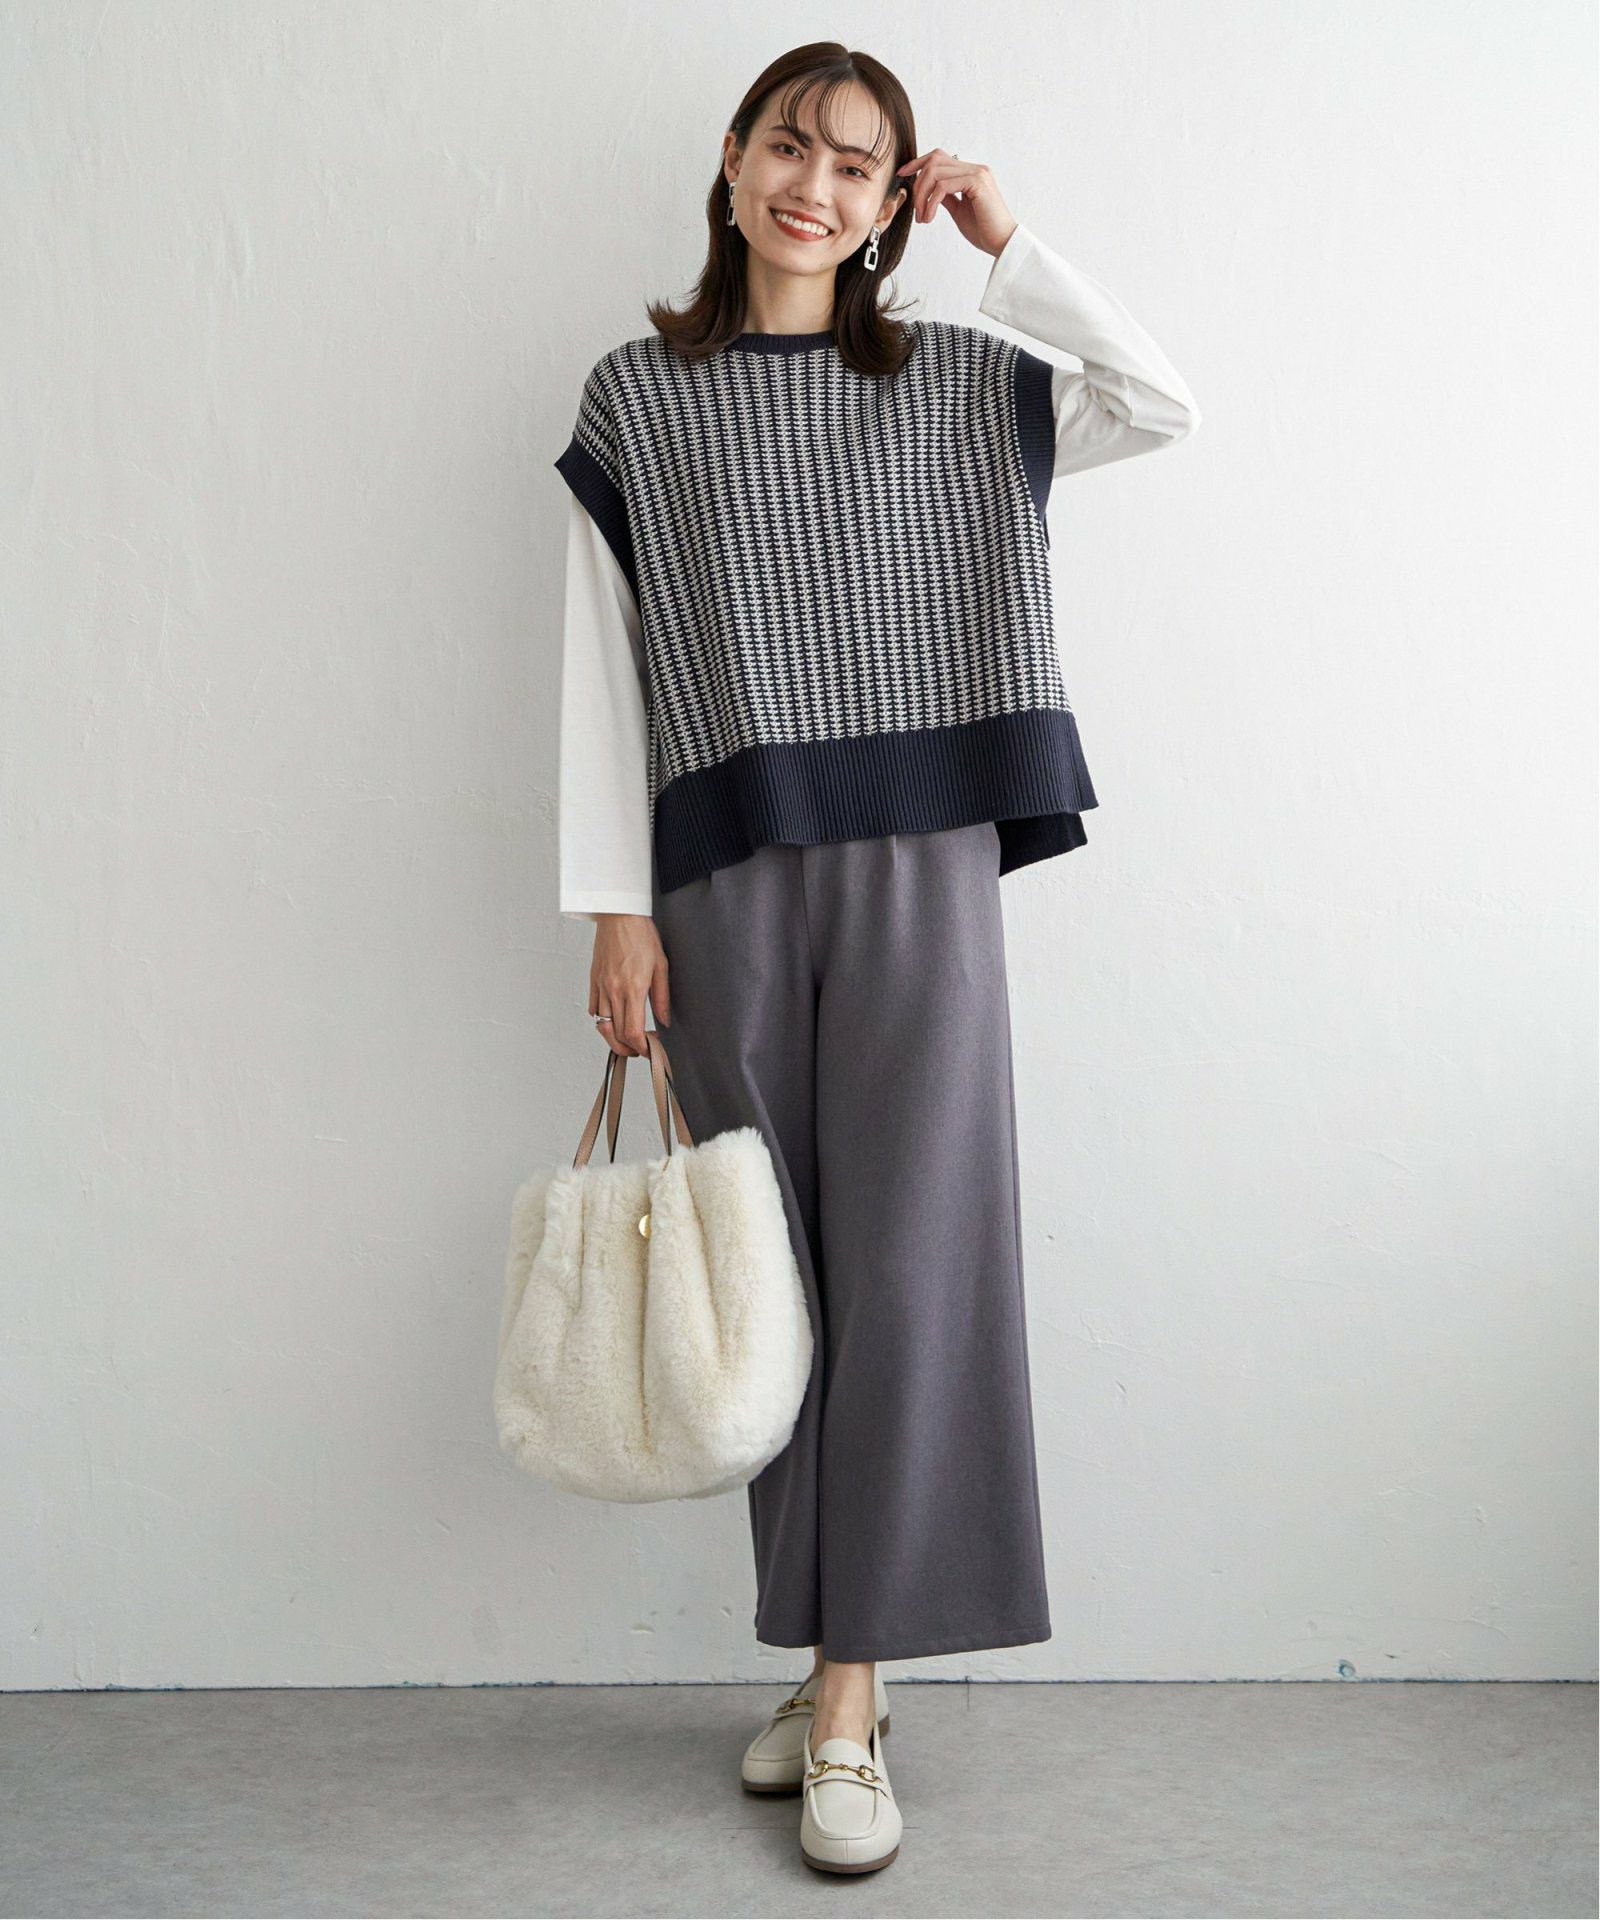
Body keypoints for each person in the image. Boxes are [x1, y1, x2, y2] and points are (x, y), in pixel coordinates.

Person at [552, 41, 1200, 1875]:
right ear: (732, 159)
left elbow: (1159, 404)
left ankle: (848, 1696)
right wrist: (613, 904)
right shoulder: (640, 397)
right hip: (724, 871)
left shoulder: (959, 379)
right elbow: (599, 661)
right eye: (789, 147)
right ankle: (834, 1659)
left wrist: (1011, 247)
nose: (813, 188)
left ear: (891, 195)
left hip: (924, 863)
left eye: (857, 164)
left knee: (918, 1260)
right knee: (771, 1282)